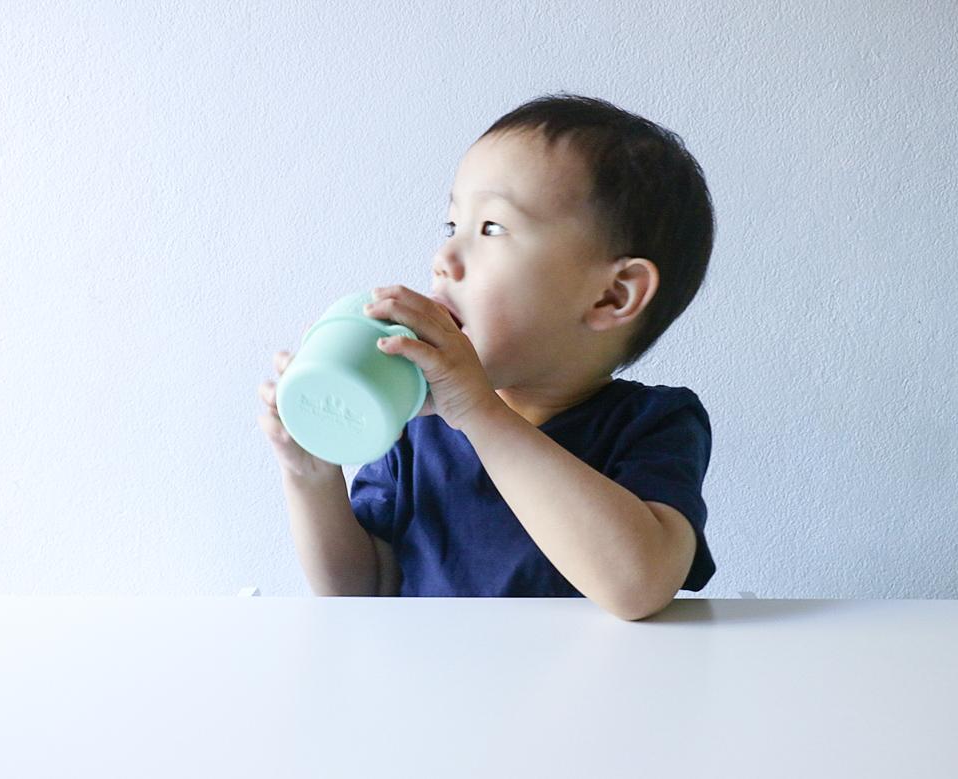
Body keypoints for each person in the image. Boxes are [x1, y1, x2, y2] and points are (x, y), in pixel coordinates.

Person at [257, 93, 716, 621]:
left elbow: (637, 586)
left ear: (612, 295)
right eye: (452, 227)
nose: (444, 258)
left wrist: (478, 413)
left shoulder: (656, 424)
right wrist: (312, 478)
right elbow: (363, 591)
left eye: (491, 228)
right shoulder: (414, 422)